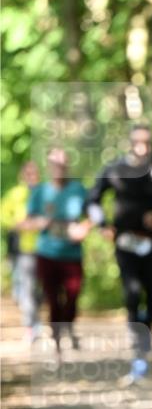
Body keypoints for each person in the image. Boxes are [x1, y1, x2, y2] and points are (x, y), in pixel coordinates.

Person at [86, 124, 152, 382]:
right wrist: (102, 225)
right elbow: (92, 199)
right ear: (130, 144)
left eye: (147, 143)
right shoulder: (115, 168)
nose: (142, 148)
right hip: (124, 243)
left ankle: (147, 330)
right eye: (137, 142)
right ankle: (138, 354)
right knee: (131, 294)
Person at [23, 148, 89, 354]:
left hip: (72, 254)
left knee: (72, 295)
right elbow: (27, 221)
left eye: (62, 164)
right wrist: (40, 222)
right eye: (55, 164)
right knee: (52, 298)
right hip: (47, 253)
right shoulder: (40, 192)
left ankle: (68, 325)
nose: (59, 168)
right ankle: (57, 340)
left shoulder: (78, 190)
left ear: (67, 166)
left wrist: (84, 228)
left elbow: (93, 214)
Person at [1, 160, 42, 341]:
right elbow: (3, 216)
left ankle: (35, 321)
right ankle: (30, 325)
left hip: (45, 248)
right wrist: (17, 225)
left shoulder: (46, 193)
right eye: (27, 174)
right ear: (22, 176)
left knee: (38, 290)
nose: (30, 177)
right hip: (22, 249)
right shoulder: (15, 194)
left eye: (34, 174)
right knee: (25, 289)